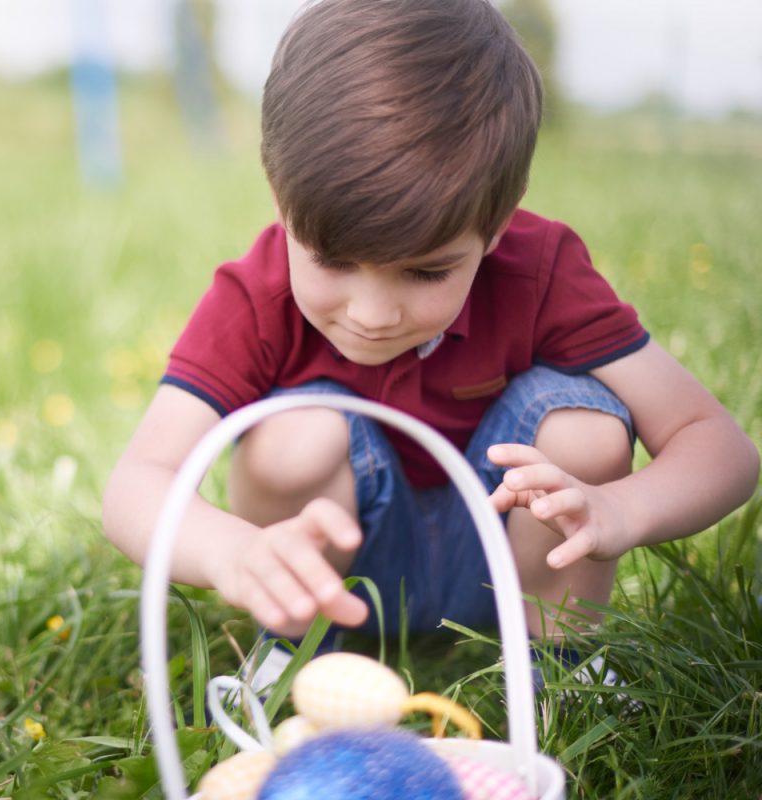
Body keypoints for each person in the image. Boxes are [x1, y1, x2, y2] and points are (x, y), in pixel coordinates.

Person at [101, 0, 759, 680]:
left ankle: (559, 666)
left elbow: (721, 447)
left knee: (585, 432)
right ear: (278, 196)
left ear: (497, 225)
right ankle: (293, 650)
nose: (373, 313)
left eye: (425, 272)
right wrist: (231, 552)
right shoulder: (256, 295)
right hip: (334, 570)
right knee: (293, 438)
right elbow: (136, 484)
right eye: (333, 260)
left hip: (501, 561)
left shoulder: (539, 273)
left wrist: (621, 509)